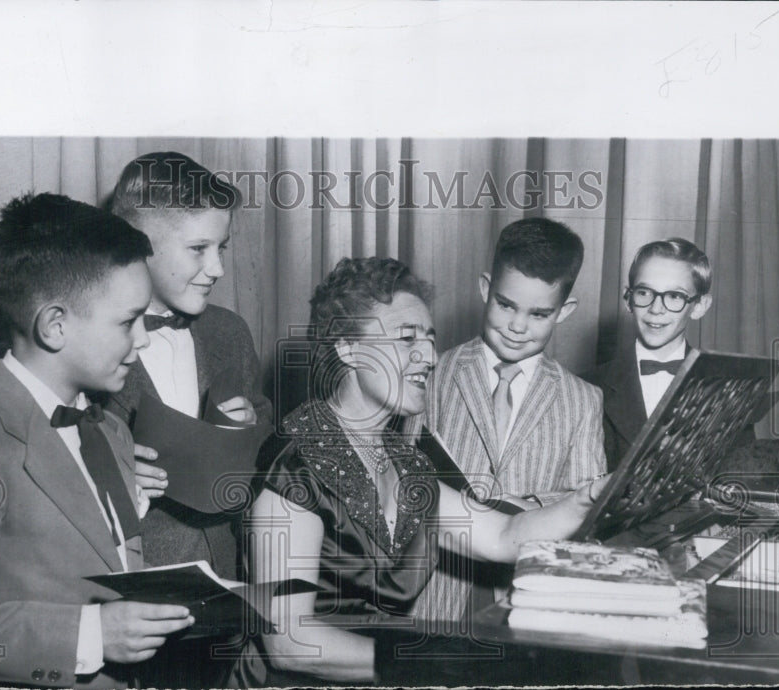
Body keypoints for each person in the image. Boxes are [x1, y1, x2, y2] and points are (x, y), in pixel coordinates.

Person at [233, 257, 610, 686]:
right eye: (407, 338)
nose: (429, 355)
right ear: (348, 348)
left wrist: (592, 495)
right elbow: (290, 644)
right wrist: (433, 659)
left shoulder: (406, 462)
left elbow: (506, 538)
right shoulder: (296, 463)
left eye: (430, 338)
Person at [0, 193, 194, 688]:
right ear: (55, 325)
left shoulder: (109, 429)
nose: (144, 339)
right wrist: (88, 635)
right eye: (128, 321)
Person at [407, 218, 607, 623]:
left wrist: (523, 507)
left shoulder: (583, 400)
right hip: (434, 593)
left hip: (530, 601)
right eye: (505, 304)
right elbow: (400, 477)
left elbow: (588, 510)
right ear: (485, 289)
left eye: (538, 314)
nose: (518, 326)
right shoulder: (434, 373)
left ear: (564, 311)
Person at [102, 151, 272, 577]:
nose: (216, 268)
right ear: (137, 244)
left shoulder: (229, 332)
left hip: (226, 584)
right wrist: (113, 481)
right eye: (198, 249)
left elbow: (269, 444)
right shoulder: (91, 340)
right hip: (130, 588)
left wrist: (250, 428)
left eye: (222, 248)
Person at [583, 238, 718, 471]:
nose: (656, 309)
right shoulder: (586, 387)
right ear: (628, 298)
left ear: (699, 306)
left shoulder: (723, 387)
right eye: (645, 292)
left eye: (675, 296)